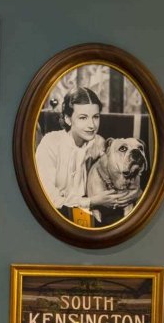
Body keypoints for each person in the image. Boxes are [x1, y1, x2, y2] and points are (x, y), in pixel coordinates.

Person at [35, 86, 138, 227]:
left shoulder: (99, 143)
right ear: (68, 119)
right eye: (83, 118)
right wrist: (93, 201)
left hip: (88, 216)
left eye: (96, 117)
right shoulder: (50, 143)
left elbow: (120, 173)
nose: (92, 125)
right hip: (51, 217)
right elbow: (48, 198)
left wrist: (133, 193)